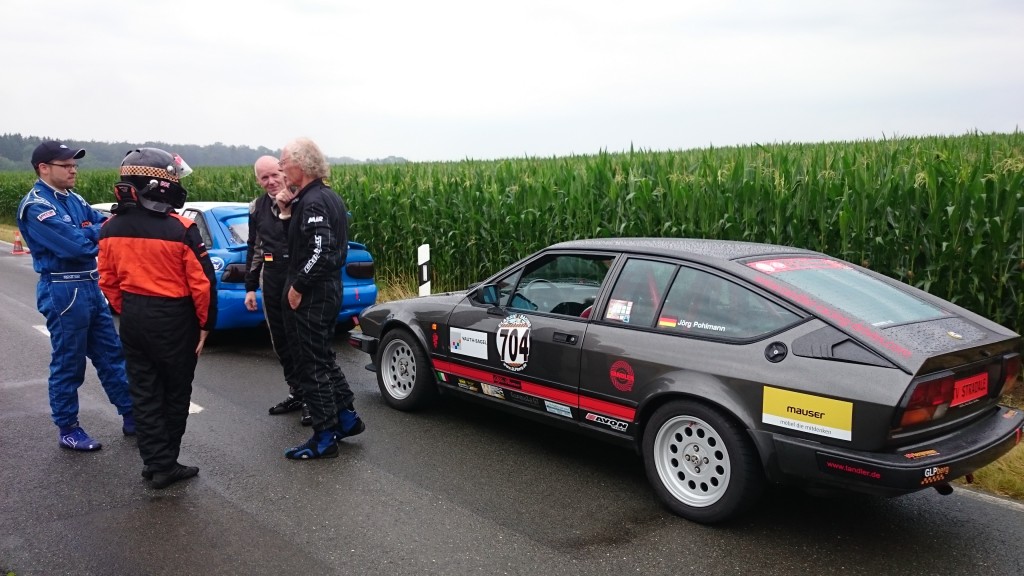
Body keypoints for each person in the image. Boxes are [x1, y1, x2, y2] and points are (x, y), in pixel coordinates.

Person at [97, 148, 217, 489]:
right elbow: (203, 286)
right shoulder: (181, 229)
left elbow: (107, 281)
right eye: (174, 179)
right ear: (158, 185)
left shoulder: (110, 228)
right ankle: (166, 465)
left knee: (144, 392)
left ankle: (153, 461)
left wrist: (129, 309)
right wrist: (206, 325)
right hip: (174, 319)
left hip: (134, 316)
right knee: (175, 393)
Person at [16, 140, 135, 452]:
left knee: (112, 355)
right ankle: (68, 427)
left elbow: (99, 226)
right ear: (43, 168)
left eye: (74, 165)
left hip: (90, 285)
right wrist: (96, 232)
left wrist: (91, 230)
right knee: (69, 362)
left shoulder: (73, 198)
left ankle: (132, 415)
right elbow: (79, 247)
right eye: (66, 165)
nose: (73, 170)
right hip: (63, 288)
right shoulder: (37, 206)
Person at [279, 137, 365, 460]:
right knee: (322, 357)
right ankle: (346, 418)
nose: (282, 168)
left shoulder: (314, 202)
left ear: (301, 165)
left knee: (310, 364)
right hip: (328, 291)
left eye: (285, 162)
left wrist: (298, 285)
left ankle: (324, 436)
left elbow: (322, 249)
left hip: (314, 295)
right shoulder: (324, 196)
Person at [243, 156, 310, 425]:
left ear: (284, 172)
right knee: (280, 338)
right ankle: (296, 390)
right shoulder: (256, 208)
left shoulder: (302, 200)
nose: (270, 182)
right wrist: (250, 288)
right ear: (258, 180)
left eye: (274, 175)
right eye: (264, 178)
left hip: (296, 277)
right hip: (271, 277)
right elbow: (254, 248)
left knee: (300, 338)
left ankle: (312, 398)